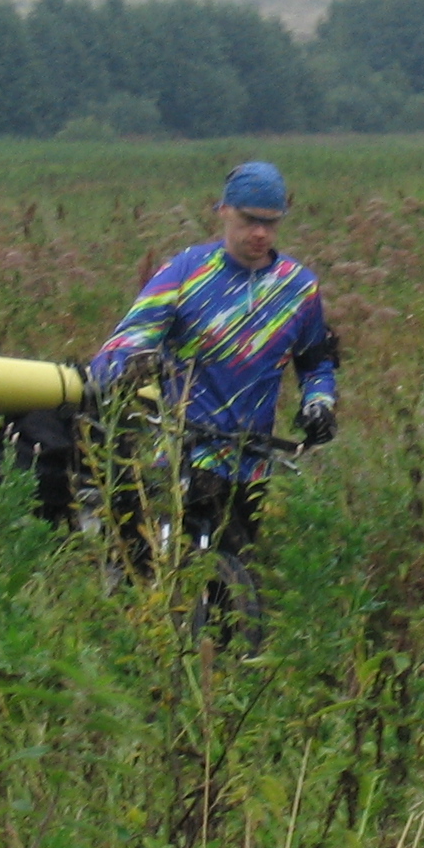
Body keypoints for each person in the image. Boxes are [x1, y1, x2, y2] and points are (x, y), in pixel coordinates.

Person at [82, 160, 339, 554]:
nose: (260, 233)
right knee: (161, 566)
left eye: (271, 223)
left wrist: (319, 403)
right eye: (249, 220)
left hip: (252, 464)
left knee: (235, 577)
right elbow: (126, 342)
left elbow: (316, 362)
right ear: (224, 212)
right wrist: (130, 366)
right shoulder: (186, 270)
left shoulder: (298, 287)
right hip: (179, 455)